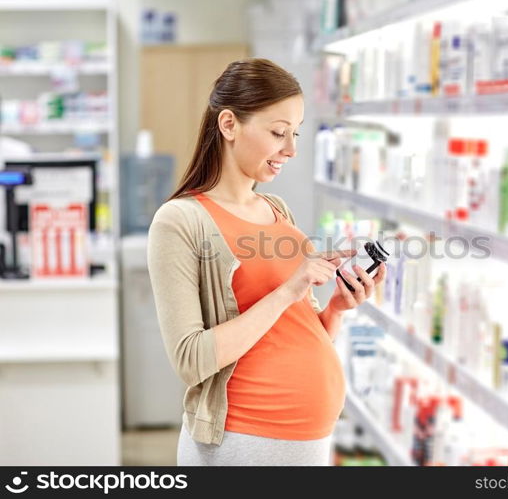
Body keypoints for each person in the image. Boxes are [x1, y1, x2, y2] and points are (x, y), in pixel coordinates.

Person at [147, 58, 386, 466]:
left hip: (309, 442)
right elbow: (191, 359)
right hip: (242, 443)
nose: (290, 150)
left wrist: (336, 310)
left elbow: (292, 331)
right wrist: (290, 288)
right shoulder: (180, 221)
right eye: (278, 133)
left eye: (295, 133)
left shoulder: (277, 210)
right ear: (228, 125)